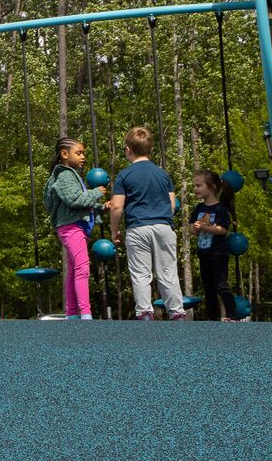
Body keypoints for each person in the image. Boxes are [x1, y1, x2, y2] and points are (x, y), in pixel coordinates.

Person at [109, 126, 184, 320]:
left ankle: (144, 314)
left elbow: (116, 207)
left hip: (138, 228)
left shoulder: (124, 176)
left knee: (141, 274)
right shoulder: (163, 175)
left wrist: (114, 231)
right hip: (163, 227)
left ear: (127, 150)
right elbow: (172, 204)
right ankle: (177, 314)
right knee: (168, 273)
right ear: (151, 150)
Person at [42, 137, 104, 319]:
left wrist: (101, 206)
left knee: (74, 270)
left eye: (84, 153)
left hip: (72, 226)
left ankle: (72, 314)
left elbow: (77, 203)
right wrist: (95, 193)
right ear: (64, 154)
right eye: (79, 153)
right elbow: (75, 200)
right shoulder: (65, 175)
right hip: (71, 228)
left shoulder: (69, 175)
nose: (83, 156)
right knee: (83, 269)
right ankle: (85, 314)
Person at [191, 170, 238, 322]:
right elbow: (192, 228)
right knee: (208, 288)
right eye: (194, 186)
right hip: (203, 253)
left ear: (211, 187)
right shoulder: (198, 208)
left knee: (221, 285)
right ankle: (212, 318)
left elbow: (223, 229)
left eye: (199, 185)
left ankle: (232, 315)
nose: (195, 189)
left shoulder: (220, 209)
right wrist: (196, 228)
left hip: (218, 253)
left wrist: (206, 228)